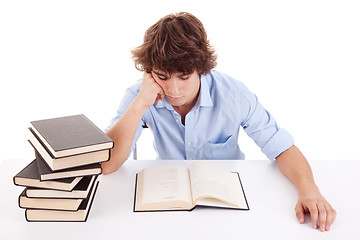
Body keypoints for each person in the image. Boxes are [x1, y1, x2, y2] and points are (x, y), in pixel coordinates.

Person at [102, 12, 336, 232]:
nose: (173, 90)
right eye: (162, 76)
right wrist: (139, 105)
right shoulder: (139, 95)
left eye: (184, 77)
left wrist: (309, 189)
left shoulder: (234, 95)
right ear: (150, 72)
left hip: (231, 205)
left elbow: (282, 147)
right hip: (168, 205)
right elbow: (107, 165)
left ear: (201, 68)